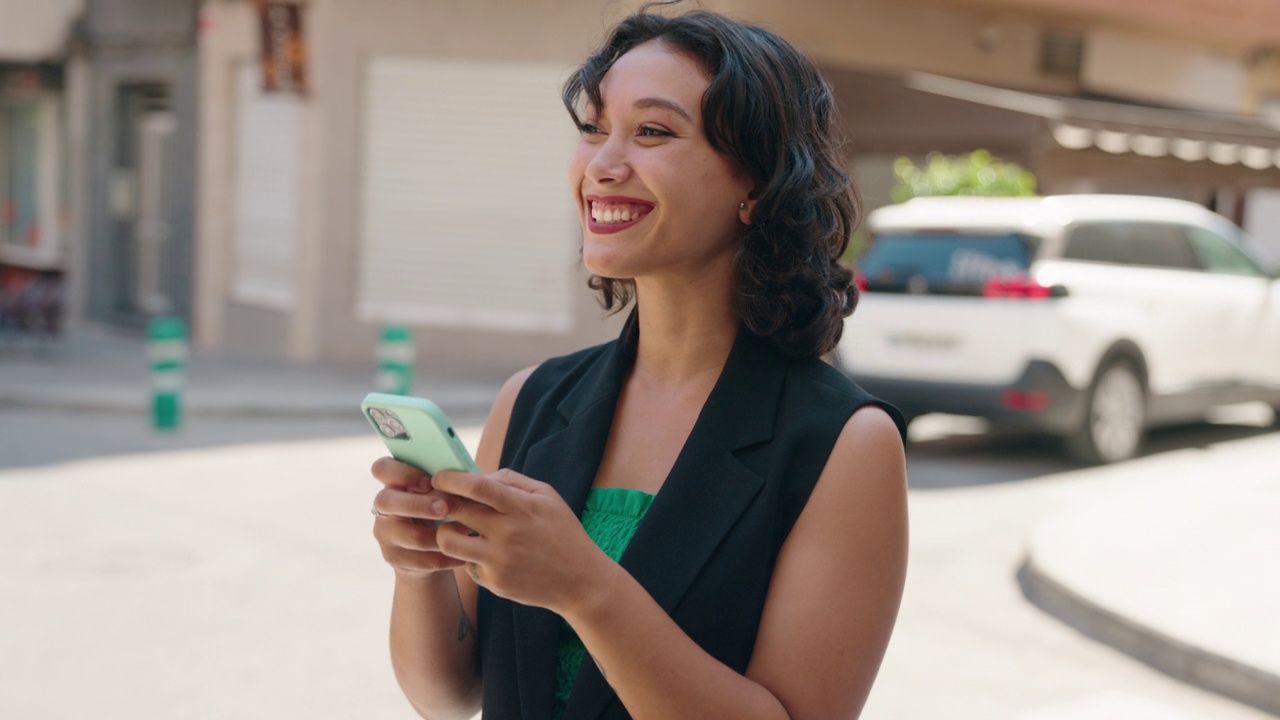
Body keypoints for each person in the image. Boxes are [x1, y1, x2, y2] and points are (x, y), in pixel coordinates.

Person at [369, 7, 909, 720]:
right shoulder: (531, 399)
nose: (602, 165)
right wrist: (419, 570)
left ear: (756, 184)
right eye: (594, 128)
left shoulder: (845, 444)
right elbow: (447, 695)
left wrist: (585, 586)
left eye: (652, 131)